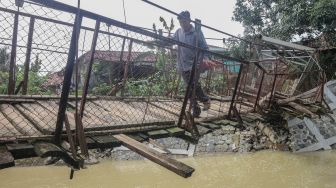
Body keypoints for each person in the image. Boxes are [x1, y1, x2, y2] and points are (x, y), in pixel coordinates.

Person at [172, 11, 211, 117]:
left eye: (184, 22)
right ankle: (197, 108)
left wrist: (206, 59)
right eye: (180, 22)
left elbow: (205, 47)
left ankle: (205, 100)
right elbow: (170, 41)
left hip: (194, 64)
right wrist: (159, 40)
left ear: (189, 20)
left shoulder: (197, 33)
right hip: (182, 64)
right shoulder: (178, 32)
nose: (182, 25)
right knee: (190, 87)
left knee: (192, 85)